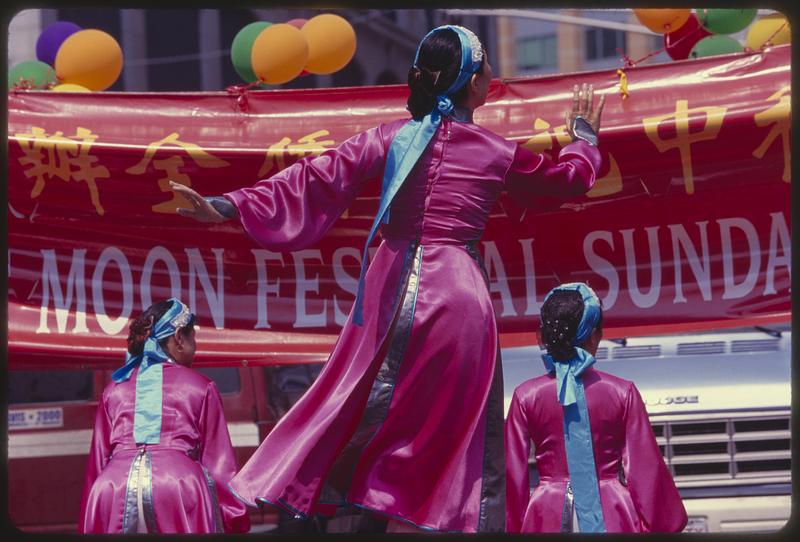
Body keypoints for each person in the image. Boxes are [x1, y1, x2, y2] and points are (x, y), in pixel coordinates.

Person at [171, 25, 604, 533]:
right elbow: (562, 181)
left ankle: (334, 508)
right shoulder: (494, 151)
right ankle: (453, 520)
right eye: (487, 67)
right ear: (472, 83)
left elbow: (316, 177)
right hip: (457, 297)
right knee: (454, 426)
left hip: (391, 284)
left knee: (353, 402)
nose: (494, 75)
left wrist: (228, 204)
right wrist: (585, 140)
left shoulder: (391, 138)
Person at [504, 283, 688, 533]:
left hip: (548, 512)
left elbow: (511, 476)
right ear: (593, 335)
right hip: (612, 510)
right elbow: (646, 470)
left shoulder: (526, 396)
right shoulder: (622, 392)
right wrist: (664, 522)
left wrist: (509, 526)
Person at [78, 298, 250, 534]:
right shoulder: (201, 386)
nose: (195, 345)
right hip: (176, 485)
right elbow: (219, 464)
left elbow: (97, 462)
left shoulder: (113, 390)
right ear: (179, 337)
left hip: (111, 486)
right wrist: (235, 518)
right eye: (193, 337)